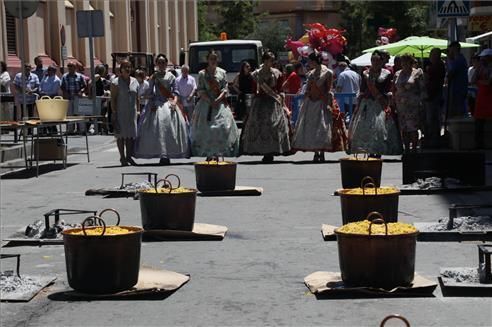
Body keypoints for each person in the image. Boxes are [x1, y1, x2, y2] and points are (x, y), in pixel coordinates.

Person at [135, 54, 190, 164]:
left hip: (169, 102)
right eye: (159, 62)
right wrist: (149, 100)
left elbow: (175, 92)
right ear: (156, 64)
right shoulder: (153, 77)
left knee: (170, 126)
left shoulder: (171, 76)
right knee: (157, 127)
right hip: (157, 102)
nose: (161, 65)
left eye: (163, 62)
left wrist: (174, 102)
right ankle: (161, 153)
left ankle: (169, 153)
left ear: (166, 64)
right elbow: (150, 92)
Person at [348, 50, 402, 156]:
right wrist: (360, 99)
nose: (375, 63)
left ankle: (379, 149)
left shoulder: (386, 74)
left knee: (380, 127)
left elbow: (388, 89)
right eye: (373, 61)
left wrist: (386, 99)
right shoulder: (365, 73)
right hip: (367, 103)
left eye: (377, 61)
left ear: (381, 62)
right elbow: (362, 88)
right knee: (366, 127)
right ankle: (368, 149)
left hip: (380, 103)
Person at [241, 51, 291, 163]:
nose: (271, 62)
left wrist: (281, 98)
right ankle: (261, 150)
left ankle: (273, 150)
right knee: (259, 125)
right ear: (264, 60)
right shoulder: (256, 74)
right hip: (260, 102)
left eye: (272, 60)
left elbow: (279, 88)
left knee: (274, 125)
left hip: (273, 103)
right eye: (269, 60)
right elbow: (254, 89)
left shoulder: (277, 73)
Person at [190, 50, 240, 158]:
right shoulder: (202, 74)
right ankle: (207, 151)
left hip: (220, 102)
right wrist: (210, 101)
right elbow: (200, 90)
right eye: (211, 59)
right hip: (206, 103)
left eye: (215, 58)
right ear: (207, 60)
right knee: (206, 128)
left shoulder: (222, 72)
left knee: (222, 126)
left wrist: (218, 100)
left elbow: (225, 89)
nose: (213, 61)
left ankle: (220, 151)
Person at [292, 52, 334, 162]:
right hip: (311, 102)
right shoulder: (311, 73)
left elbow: (329, 90)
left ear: (314, 61)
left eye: (310, 61)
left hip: (322, 102)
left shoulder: (328, 72)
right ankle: (316, 152)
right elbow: (308, 88)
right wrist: (306, 94)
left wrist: (329, 104)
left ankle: (322, 151)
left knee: (322, 128)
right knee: (313, 127)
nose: (308, 63)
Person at [393, 54, 425, 152]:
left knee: (413, 128)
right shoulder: (397, 74)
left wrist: (422, 101)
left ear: (411, 63)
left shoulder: (417, 73)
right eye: (402, 62)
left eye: (406, 61)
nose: (404, 64)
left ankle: (414, 148)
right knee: (404, 128)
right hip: (401, 105)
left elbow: (422, 88)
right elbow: (394, 88)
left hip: (413, 105)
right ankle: (406, 148)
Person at [110, 61, 139, 166]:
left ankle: (129, 157)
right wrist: (114, 113)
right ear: (121, 69)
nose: (127, 69)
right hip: (120, 112)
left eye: (129, 67)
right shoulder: (115, 82)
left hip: (132, 112)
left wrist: (138, 110)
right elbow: (112, 99)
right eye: (125, 67)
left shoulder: (135, 81)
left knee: (130, 136)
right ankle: (122, 157)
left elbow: (137, 97)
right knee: (121, 136)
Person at [423, 48, 446, 149]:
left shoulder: (437, 66)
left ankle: (433, 139)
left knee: (432, 118)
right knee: (432, 118)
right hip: (432, 95)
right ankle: (432, 138)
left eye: (432, 55)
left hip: (433, 95)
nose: (430, 57)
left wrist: (427, 72)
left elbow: (431, 80)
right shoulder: (436, 66)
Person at [471, 48, 492, 149]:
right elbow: (473, 80)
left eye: (485, 59)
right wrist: (482, 82)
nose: (483, 61)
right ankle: (478, 144)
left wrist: (481, 82)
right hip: (482, 96)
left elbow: (489, 82)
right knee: (479, 121)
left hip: (488, 95)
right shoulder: (480, 68)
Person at [61, 61, 87, 133]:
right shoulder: (64, 76)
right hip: (69, 98)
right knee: (69, 115)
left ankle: (82, 130)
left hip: (77, 98)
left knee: (80, 114)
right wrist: (65, 93)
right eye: (68, 66)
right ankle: (70, 130)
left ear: (75, 68)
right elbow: (62, 86)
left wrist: (81, 91)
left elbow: (84, 86)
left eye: (71, 66)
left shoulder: (80, 76)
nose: (70, 68)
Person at [446, 41, 468, 117]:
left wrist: (449, 60)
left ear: (455, 49)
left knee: (458, 111)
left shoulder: (459, 59)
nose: (449, 52)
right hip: (457, 88)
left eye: (450, 50)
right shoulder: (458, 59)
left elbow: (451, 73)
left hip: (459, 89)